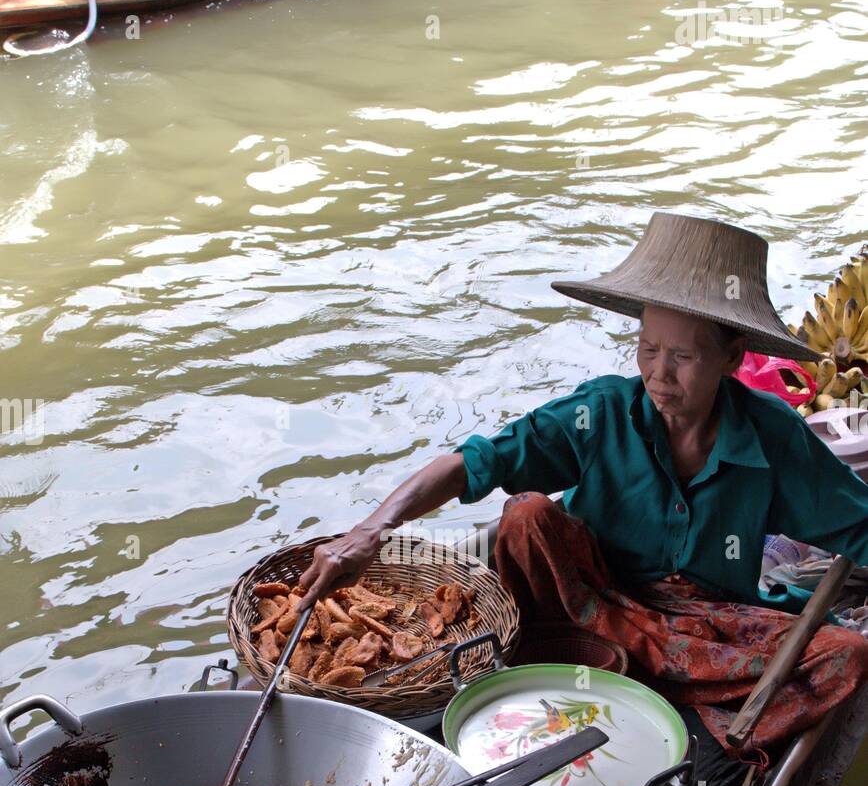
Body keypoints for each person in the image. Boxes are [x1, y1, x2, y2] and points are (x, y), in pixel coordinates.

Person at [298, 213, 868, 753]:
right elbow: (478, 462)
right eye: (648, 349)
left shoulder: (773, 435)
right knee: (526, 516)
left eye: (683, 356)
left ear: (732, 357)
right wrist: (371, 529)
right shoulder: (600, 412)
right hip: (587, 598)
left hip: (705, 626)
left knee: (845, 653)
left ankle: (644, 676)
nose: (658, 373)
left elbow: (857, 524)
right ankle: (647, 670)